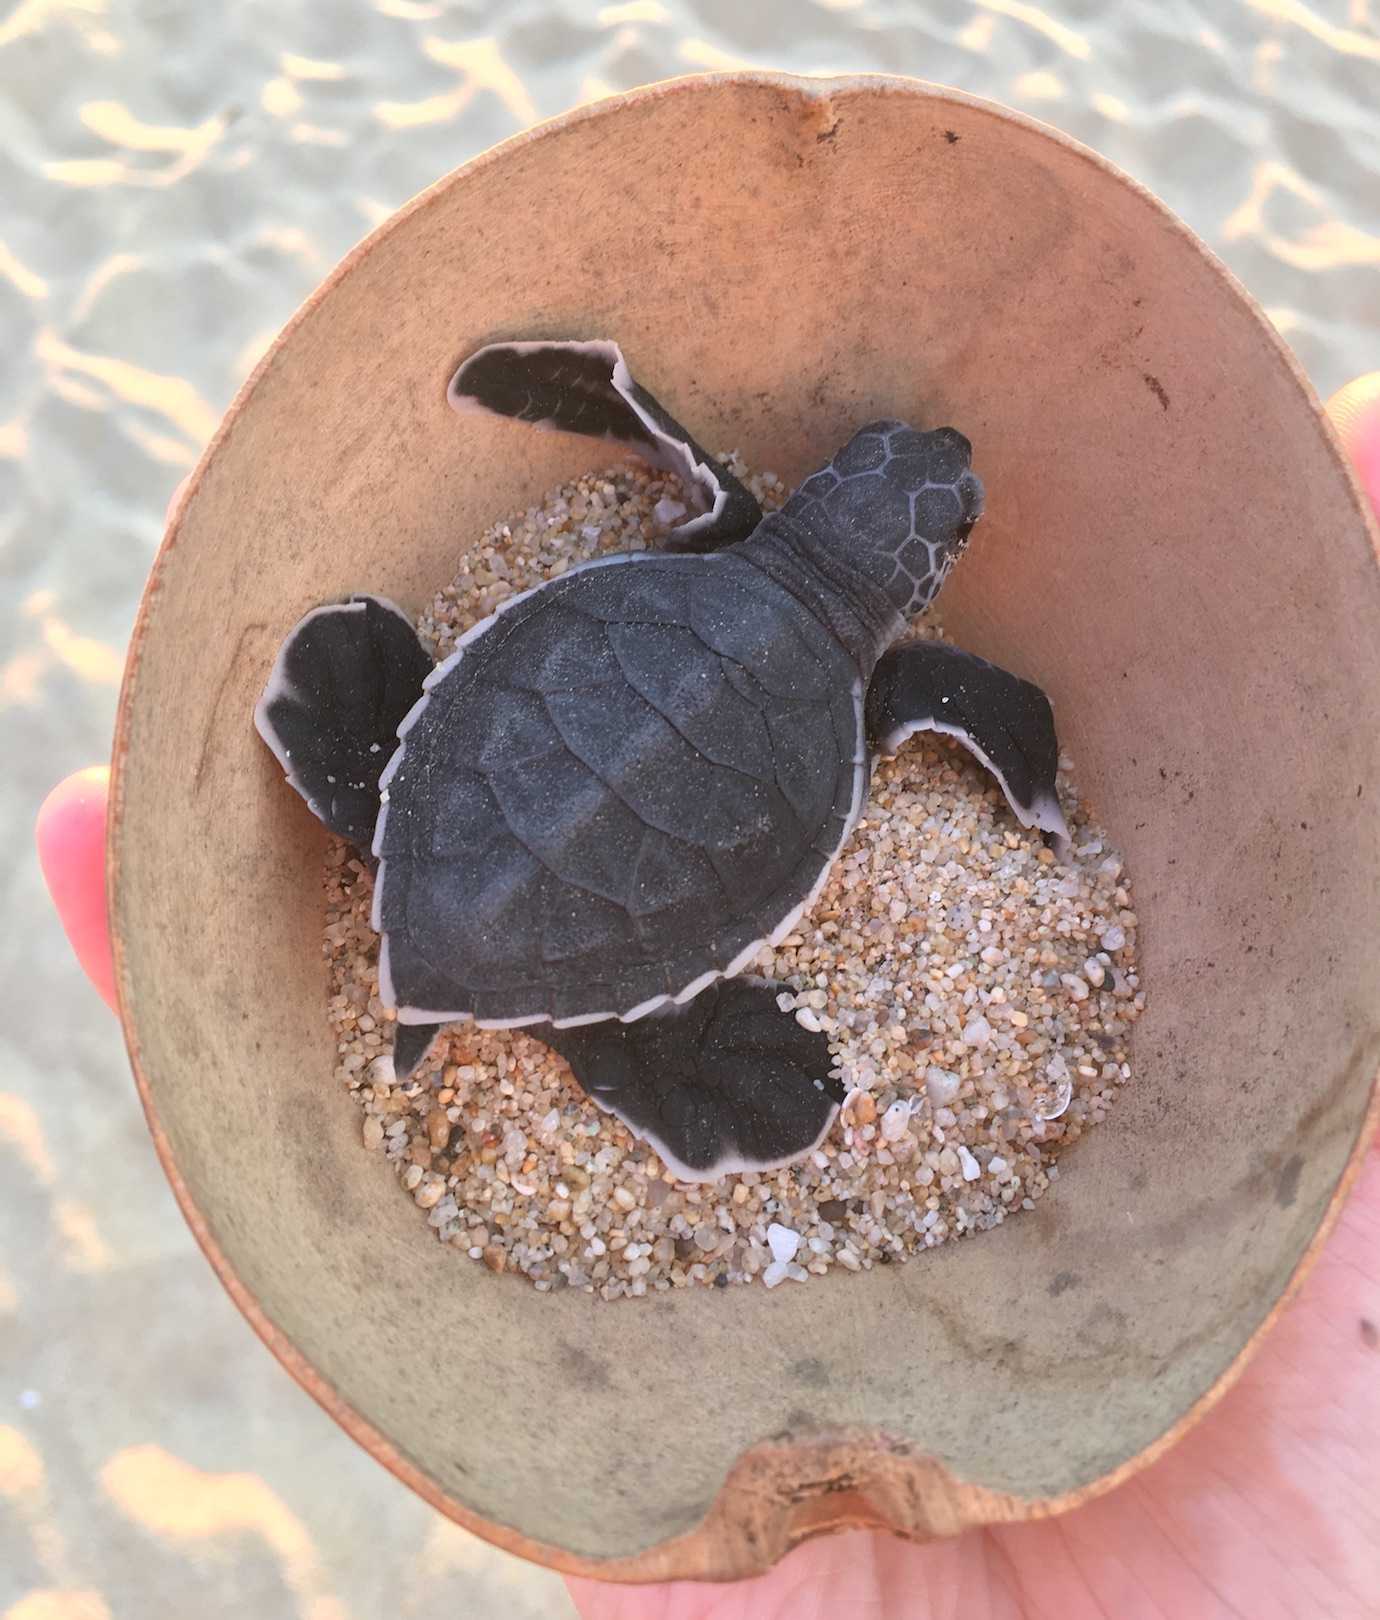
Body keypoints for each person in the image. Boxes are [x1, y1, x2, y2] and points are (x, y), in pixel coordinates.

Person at [36, 378, 1380, 1620]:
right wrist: (1035, 797)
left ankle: (399, 812)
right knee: (654, 976)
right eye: (921, 490)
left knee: (426, 709)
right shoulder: (896, 680)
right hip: (603, 909)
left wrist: (588, 383)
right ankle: (624, 1044)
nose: (939, 469)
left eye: (937, 497)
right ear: (918, 576)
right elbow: (994, 711)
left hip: (446, 817)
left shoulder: (720, 526)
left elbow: (622, 399)